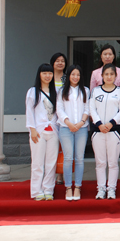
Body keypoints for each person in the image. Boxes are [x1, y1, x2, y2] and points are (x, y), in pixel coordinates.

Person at [90, 63, 120, 200]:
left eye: (112, 74)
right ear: (102, 76)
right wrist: (99, 124)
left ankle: (111, 189)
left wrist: (111, 123)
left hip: (114, 131)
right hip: (98, 131)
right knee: (100, 163)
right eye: (106, 74)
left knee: (112, 163)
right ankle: (101, 189)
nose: (109, 76)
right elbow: (92, 109)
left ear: (116, 76)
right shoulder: (95, 91)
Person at [25, 63, 59, 201]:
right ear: (39, 74)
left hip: (53, 132)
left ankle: (48, 190)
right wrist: (32, 129)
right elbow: (29, 111)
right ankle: (36, 191)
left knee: (51, 163)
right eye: (44, 73)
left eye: (50, 73)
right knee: (38, 163)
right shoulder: (33, 91)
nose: (47, 76)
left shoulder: (56, 91)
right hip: (38, 131)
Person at [57, 64, 90, 201]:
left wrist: (81, 122)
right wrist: (69, 123)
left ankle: (78, 187)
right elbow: (59, 109)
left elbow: (87, 108)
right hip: (66, 128)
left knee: (79, 158)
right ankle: (68, 187)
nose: (75, 77)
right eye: (73, 74)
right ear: (68, 76)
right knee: (68, 158)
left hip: (82, 128)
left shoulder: (86, 90)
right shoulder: (62, 91)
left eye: (78, 75)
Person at [49, 52, 67, 185]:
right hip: (50, 115)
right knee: (51, 146)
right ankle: (49, 174)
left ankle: (60, 174)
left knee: (63, 146)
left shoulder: (67, 78)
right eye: (57, 61)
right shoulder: (48, 77)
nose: (60, 63)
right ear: (53, 63)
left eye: (62, 61)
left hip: (65, 115)